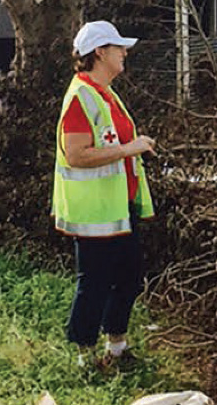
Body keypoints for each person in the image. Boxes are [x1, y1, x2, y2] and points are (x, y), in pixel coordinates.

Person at [52, 20, 157, 369]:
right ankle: (84, 355)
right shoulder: (81, 97)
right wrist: (130, 149)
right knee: (94, 283)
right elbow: (76, 154)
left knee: (129, 277)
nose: (125, 53)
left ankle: (117, 348)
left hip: (117, 208)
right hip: (93, 212)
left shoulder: (105, 93)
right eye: (118, 47)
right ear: (99, 52)